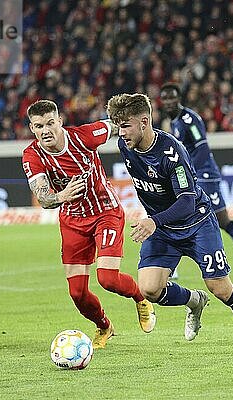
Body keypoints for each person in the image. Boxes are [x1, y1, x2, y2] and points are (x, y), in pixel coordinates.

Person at [106, 93, 233, 356]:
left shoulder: (172, 152)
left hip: (197, 223)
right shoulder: (126, 144)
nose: (121, 133)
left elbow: (187, 201)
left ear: (144, 122)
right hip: (163, 229)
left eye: (126, 126)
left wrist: (154, 220)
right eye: (118, 126)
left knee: (221, 288)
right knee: (150, 289)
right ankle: (194, 301)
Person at [21, 99, 156, 349]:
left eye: (50, 123)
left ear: (60, 121)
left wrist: (145, 134)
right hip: (72, 221)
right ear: (32, 128)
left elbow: (117, 125)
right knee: (77, 294)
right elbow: (42, 196)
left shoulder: (84, 136)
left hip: (106, 212)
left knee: (107, 278)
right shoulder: (32, 155)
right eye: (39, 126)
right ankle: (104, 326)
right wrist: (61, 196)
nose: (46, 131)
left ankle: (141, 298)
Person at [160, 82, 233, 279]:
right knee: (181, 218)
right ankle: (172, 267)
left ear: (179, 98)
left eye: (172, 97)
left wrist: (193, 175)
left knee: (222, 221)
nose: (168, 102)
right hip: (195, 177)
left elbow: (201, 148)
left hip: (204, 176)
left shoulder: (188, 119)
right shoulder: (175, 122)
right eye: (165, 98)